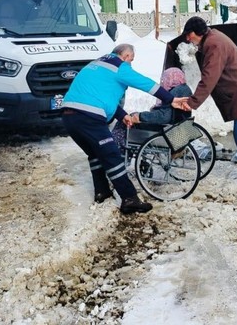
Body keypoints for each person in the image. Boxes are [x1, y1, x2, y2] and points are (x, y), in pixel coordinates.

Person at [61, 43, 184, 214]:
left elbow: (101, 96)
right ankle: (129, 198)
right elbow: (145, 83)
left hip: (69, 117)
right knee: (112, 155)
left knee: (95, 154)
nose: (130, 64)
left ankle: (101, 191)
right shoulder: (119, 67)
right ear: (126, 56)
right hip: (89, 117)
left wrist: (122, 115)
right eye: (131, 60)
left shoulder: (96, 64)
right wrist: (170, 99)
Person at [173, 17, 237, 193]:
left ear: (198, 33)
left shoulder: (214, 45)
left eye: (189, 35)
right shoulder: (212, 38)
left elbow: (209, 77)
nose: (188, 39)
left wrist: (193, 102)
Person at [112, 68, 192, 149]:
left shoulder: (175, 91)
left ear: (170, 78)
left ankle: (115, 148)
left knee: (126, 121)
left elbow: (164, 116)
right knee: (132, 117)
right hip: (178, 131)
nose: (163, 81)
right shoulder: (185, 89)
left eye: (165, 78)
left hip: (166, 130)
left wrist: (141, 116)